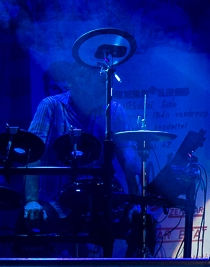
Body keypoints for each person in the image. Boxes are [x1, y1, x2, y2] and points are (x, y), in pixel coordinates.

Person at [23, 64, 140, 226]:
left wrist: (136, 202)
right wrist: (31, 201)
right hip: (55, 198)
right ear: (80, 81)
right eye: (102, 81)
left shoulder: (115, 110)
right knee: (33, 221)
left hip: (99, 198)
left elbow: (128, 158)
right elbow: (33, 153)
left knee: (139, 221)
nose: (108, 87)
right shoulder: (50, 106)